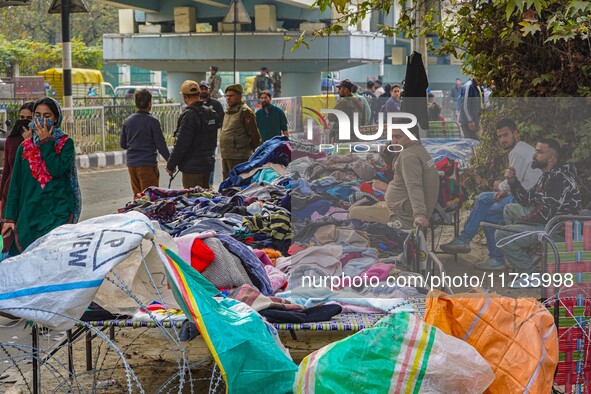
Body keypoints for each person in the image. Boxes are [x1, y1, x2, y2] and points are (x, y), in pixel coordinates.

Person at [440, 119, 543, 270]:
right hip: (519, 194)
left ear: (516, 133)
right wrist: (503, 189)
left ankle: (495, 258)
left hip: (526, 200)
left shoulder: (518, 152)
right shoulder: (521, 149)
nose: (502, 140)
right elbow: (514, 181)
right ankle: (464, 240)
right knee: (483, 198)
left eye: (505, 135)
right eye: (500, 137)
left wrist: (499, 187)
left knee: (489, 215)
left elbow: (512, 181)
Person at [495, 139, 581, 288]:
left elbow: (544, 215)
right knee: (510, 209)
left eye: (540, 152)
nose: (534, 155)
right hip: (548, 222)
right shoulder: (547, 175)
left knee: (502, 235)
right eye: (536, 150)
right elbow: (528, 200)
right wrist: (513, 181)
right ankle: (526, 255)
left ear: (551, 158)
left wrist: (517, 225)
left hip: (557, 230)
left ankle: (529, 275)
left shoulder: (558, 178)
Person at [1, 97, 81, 256]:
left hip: (57, 213)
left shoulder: (65, 143)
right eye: (37, 115)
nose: (41, 121)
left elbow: (56, 169)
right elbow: (15, 184)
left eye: (47, 116)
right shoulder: (25, 146)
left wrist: (46, 143)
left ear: (56, 118)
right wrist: (9, 218)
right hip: (29, 214)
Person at [348, 129, 439, 230]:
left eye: (398, 137)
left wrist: (419, 215)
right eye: (392, 137)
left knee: (354, 212)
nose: (394, 141)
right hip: (401, 208)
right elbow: (398, 170)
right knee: (358, 207)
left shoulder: (408, 156)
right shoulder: (416, 149)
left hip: (403, 216)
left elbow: (414, 186)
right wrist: (386, 155)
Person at [166, 80, 218, 189]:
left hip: (192, 169)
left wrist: (171, 165)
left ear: (184, 96)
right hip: (207, 165)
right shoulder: (210, 113)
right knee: (206, 201)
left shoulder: (189, 115)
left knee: (193, 201)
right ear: (199, 94)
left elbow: (181, 144)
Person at [120, 89, 170, 196]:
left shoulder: (128, 121)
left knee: (138, 197)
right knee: (150, 198)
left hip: (132, 165)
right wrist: (170, 163)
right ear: (149, 103)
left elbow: (123, 144)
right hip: (147, 165)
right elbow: (161, 145)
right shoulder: (153, 122)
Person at [220, 84, 261, 179]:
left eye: (231, 96)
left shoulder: (245, 112)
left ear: (240, 96)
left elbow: (254, 135)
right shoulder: (228, 111)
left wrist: (247, 150)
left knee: (238, 182)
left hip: (239, 156)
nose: (228, 98)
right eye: (227, 96)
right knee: (226, 183)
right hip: (226, 154)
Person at [0, 101, 34, 216]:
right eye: (22, 117)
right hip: (10, 193)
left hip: (31, 194)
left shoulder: (42, 142)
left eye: (29, 118)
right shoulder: (11, 140)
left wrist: (29, 143)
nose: (24, 121)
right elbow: (7, 170)